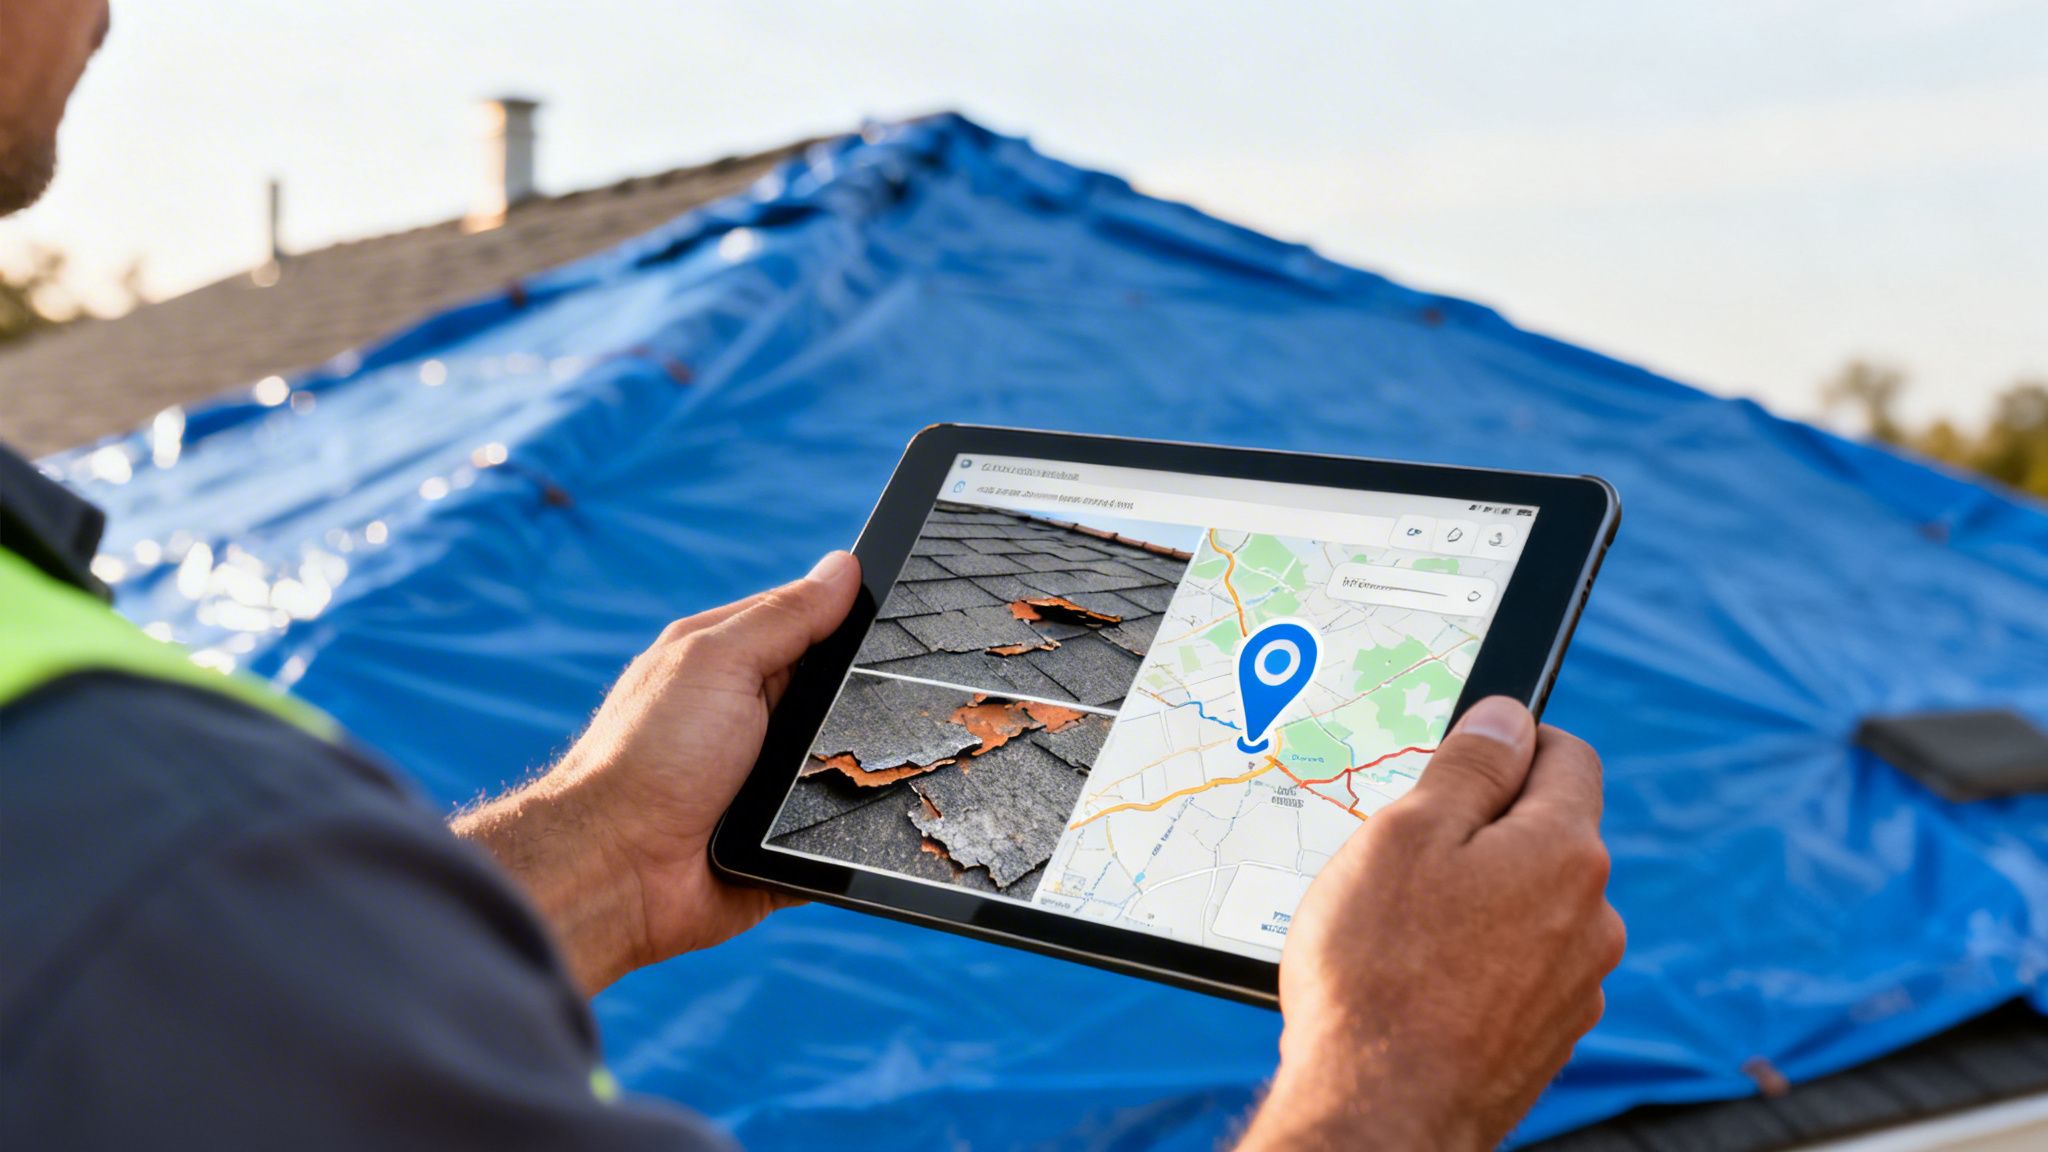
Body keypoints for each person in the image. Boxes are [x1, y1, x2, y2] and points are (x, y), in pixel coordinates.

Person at [0, 3, 1625, 1148]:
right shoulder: (142, 820)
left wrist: (602, 850)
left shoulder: (134, 840)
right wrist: (1395, 1089)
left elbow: (206, 1026)